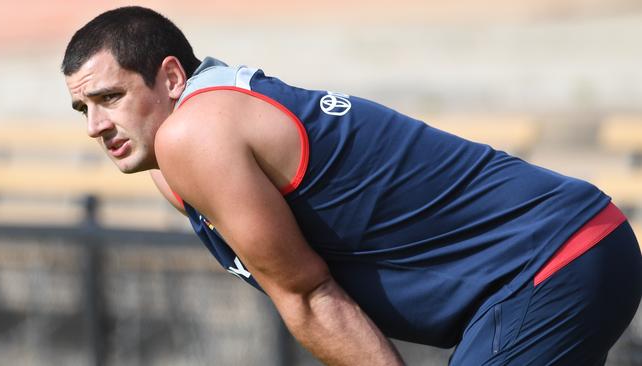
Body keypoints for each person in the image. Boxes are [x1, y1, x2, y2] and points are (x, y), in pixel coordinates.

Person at [62, 6, 641, 365]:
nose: (95, 126)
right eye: (81, 107)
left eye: (110, 97)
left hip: (550, 261)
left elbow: (309, 296)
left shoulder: (196, 132)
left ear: (170, 77)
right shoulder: (176, 157)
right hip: (565, 256)